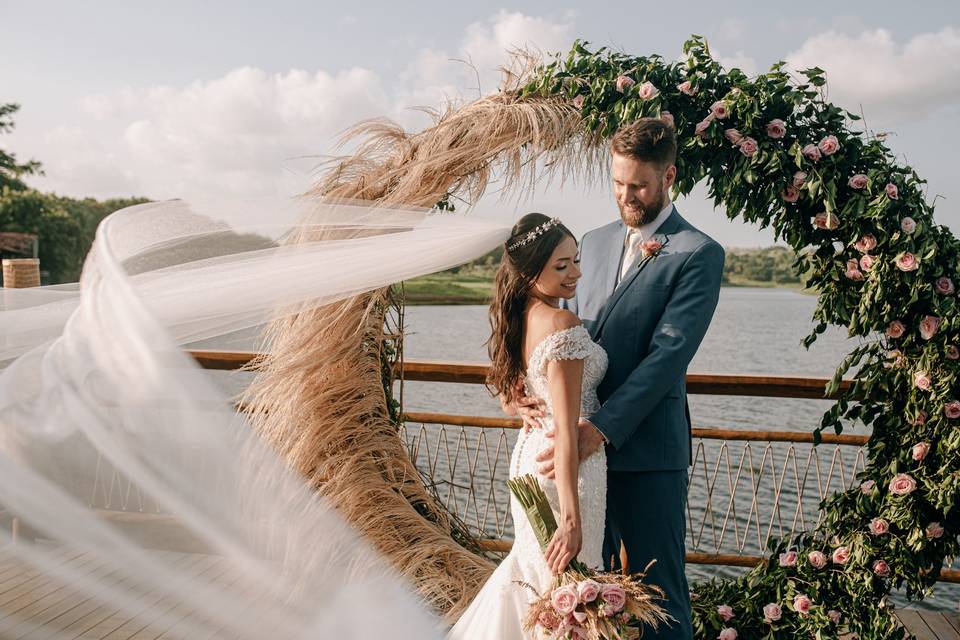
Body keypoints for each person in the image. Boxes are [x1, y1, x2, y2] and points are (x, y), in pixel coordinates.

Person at [515, 118, 725, 639]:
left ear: (668, 175)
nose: (626, 196)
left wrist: (600, 430)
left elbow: (666, 358)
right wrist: (517, 391)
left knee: (660, 595)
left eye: (638, 185)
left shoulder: (698, 253)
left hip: (647, 453)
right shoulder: (592, 240)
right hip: (578, 466)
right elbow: (546, 328)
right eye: (616, 183)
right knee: (582, 594)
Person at [448, 213, 610, 639]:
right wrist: (572, 519)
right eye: (561, 266)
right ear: (529, 272)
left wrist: (513, 402)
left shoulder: (522, 316)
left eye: (575, 260)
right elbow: (567, 426)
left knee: (536, 577)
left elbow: (511, 393)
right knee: (568, 584)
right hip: (563, 465)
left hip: (529, 457)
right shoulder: (562, 325)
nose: (575, 273)